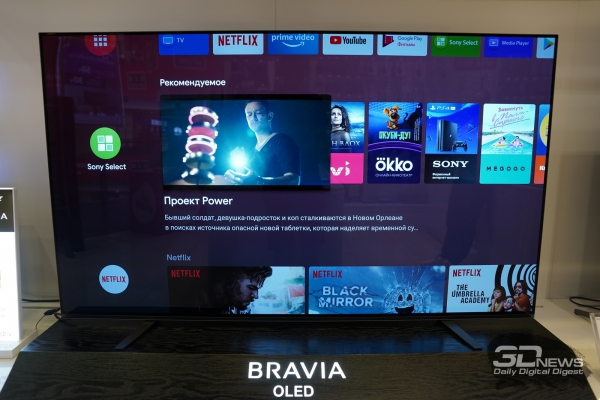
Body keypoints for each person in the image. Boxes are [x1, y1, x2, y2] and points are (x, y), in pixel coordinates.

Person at [224, 100, 300, 185]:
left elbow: (293, 181)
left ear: (269, 116)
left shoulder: (282, 141)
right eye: (249, 114)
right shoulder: (249, 155)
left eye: (258, 112)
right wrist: (237, 174)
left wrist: (259, 181)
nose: (253, 118)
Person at [202, 267, 273, 315]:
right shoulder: (199, 303)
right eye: (251, 287)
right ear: (230, 280)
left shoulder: (238, 310)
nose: (256, 296)